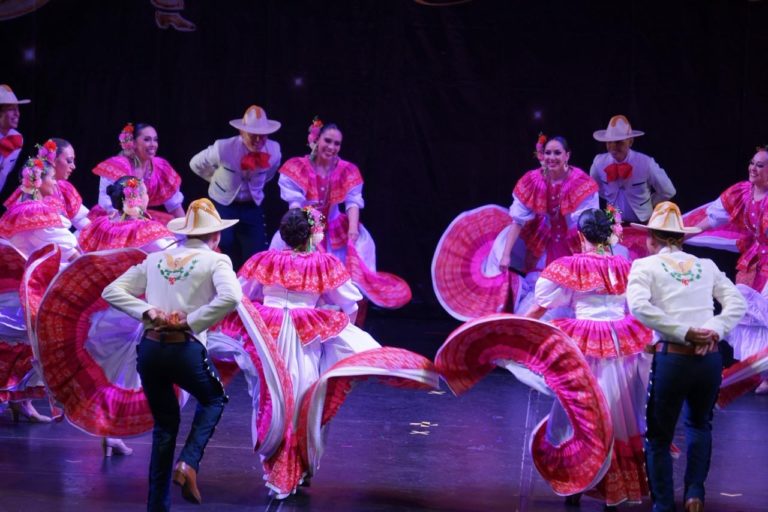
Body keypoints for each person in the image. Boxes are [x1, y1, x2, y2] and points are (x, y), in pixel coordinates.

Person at [239, 207, 436, 498]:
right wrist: (340, 332)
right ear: (310, 234)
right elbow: (350, 305)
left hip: (269, 333)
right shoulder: (323, 264)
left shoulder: (264, 260)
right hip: (303, 335)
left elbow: (241, 296)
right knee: (303, 398)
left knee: (270, 396)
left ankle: (278, 467)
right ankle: (294, 468)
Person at [102, 198, 242, 511]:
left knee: (165, 427)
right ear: (216, 235)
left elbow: (111, 291)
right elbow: (233, 297)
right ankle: (188, 462)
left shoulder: (156, 259)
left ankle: (157, 506)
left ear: (186, 232)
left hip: (151, 350)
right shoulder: (217, 261)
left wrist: (148, 311)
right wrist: (191, 321)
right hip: (184, 349)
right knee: (214, 399)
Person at [526, 207, 652, 509]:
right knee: (617, 409)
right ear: (609, 235)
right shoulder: (626, 266)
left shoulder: (572, 266)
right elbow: (637, 304)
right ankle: (612, 490)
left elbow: (543, 302)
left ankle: (576, 485)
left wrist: (517, 327)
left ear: (581, 236)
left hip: (584, 343)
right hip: (619, 342)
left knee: (578, 407)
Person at [627, 201, 746, 512]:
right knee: (699, 424)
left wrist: (684, 332)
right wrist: (713, 330)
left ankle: (664, 505)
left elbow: (639, 306)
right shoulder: (706, 265)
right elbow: (737, 303)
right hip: (708, 360)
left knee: (659, 436)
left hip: (673, 358)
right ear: (681, 238)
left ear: (651, 239)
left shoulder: (645, 266)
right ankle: (694, 494)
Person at [432, 134, 598, 320]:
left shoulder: (580, 183)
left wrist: (591, 255)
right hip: (545, 248)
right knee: (537, 299)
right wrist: (505, 255)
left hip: (572, 247)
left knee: (574, 297)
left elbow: (586, 224)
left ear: (567, 155)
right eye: (548, 153)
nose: (552, 157)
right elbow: (517, 221)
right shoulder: (534, 181)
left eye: (557, 153)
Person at [269, 117, 411, 313]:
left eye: (337, 143)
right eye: (327, 141)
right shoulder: (298, 167)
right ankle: (308, 308)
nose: (332, 147)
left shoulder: (346, 170)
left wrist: (353, 229)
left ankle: (348, 313)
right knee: (290, 255)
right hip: (305, 224)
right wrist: (303, 232)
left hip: (335, 227)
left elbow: (353, 201)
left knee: (360, 250)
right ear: (316, 140)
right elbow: (295, 205)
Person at [688, 147, 768, 392]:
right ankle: (762, 374)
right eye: (752, 163)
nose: (753, 168)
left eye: (760, 165)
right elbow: (714, 217)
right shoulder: (742, 192)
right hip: (753, 262)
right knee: (747, 313)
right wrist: (687, 232)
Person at [189, 105, 281, 270]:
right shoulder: (223, 148)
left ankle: (248, 284)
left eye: (262, 135)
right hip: (224, 203)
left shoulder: (274, 151)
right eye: (253, 135)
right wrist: (214, 180)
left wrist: (256, 188)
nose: (258, 140)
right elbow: (196, 163)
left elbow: (270, 174)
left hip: (252, 204)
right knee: (224, 244)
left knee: (257, 251)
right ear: (241, 132)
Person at [92, 122, 185, 225]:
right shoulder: (117, 167)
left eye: (155, 140)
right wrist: (133, 224)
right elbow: (106, 204)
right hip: (114, 219)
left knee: (172, 230)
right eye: (147, 140)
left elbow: (175, 206)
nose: (153, 144)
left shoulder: (161, 167)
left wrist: (187, 230)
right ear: (133, 143)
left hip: (139, 217)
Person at [5, 138, 91, 231]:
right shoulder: (32, 191)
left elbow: (82, 220)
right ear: (53, 159)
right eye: (69, 161)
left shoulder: (63, 188)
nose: (73, 166)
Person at [79, 175, 176, 253]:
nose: (147, 197)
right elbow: (169, 249)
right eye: (145, 193)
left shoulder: (102, 224)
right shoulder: (142, 229)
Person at [0, 84, 30, 197]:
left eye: (17, 109)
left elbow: (6, 172)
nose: (17, 114)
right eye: (11, 109)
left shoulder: (17, 139)